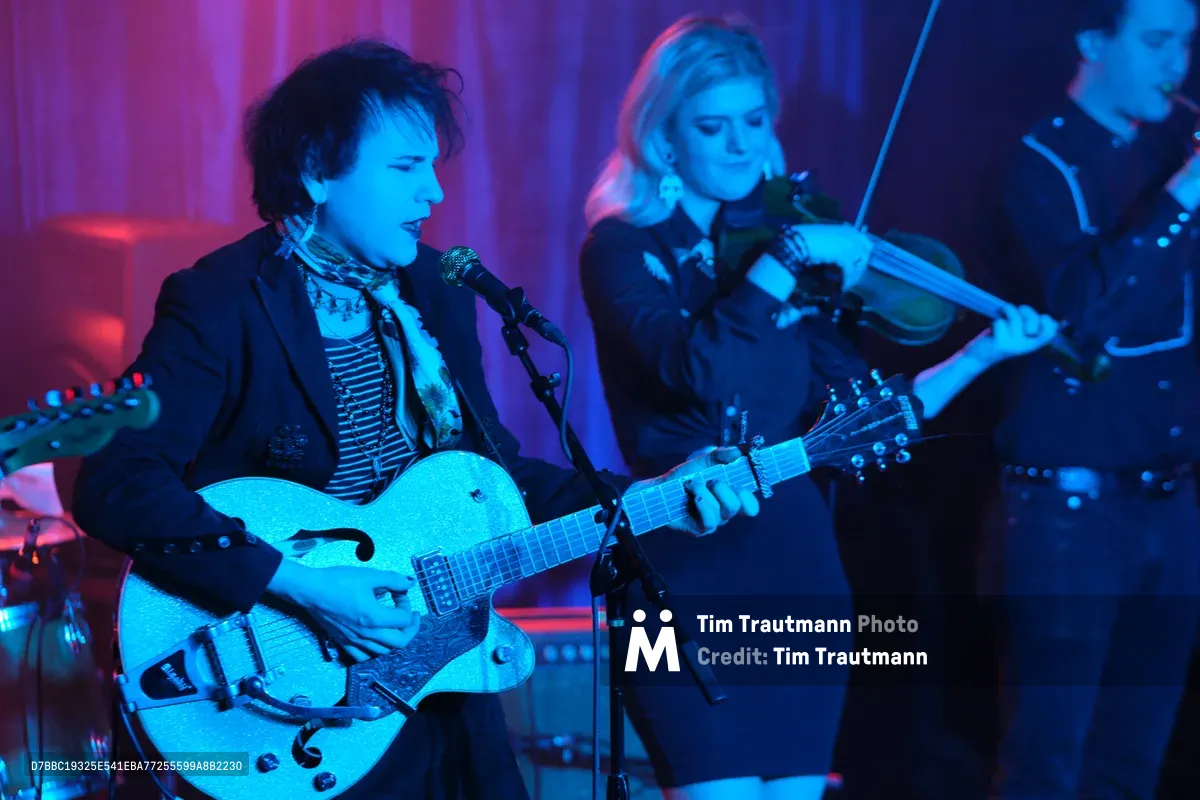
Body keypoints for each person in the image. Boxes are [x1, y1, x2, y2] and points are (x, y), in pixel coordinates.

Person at [70, 40, 761, 800]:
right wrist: (302, 586)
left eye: (434, 167)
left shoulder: (433, 290)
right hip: (286, 692)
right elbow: (114, 480)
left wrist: (653, 497)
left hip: (438, 685)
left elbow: (494, 483)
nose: (432, 193)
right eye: (404, 168)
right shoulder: (221, 300)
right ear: (316, 170)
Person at [578, 14, 1061, 800]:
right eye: (712, 126)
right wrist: (786, 259)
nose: (741, 145)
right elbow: (694, 373)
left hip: (796, 561)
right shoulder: (624, 249)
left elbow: (859, 417)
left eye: (754, 121)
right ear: (663, 139)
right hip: (680, 567)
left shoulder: (777, 251)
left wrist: (980, 354)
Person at [978, 0, 1200, 797]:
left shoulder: (1170, 149)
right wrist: (1186, 193)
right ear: (1092, 41)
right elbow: (1081, 314)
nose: (1177, 64)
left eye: (1186, 43)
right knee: (1047, 765)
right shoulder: (1038, 161)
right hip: (1065, 515)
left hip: (1172, 503)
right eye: (1156, 41)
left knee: (1133, 764)